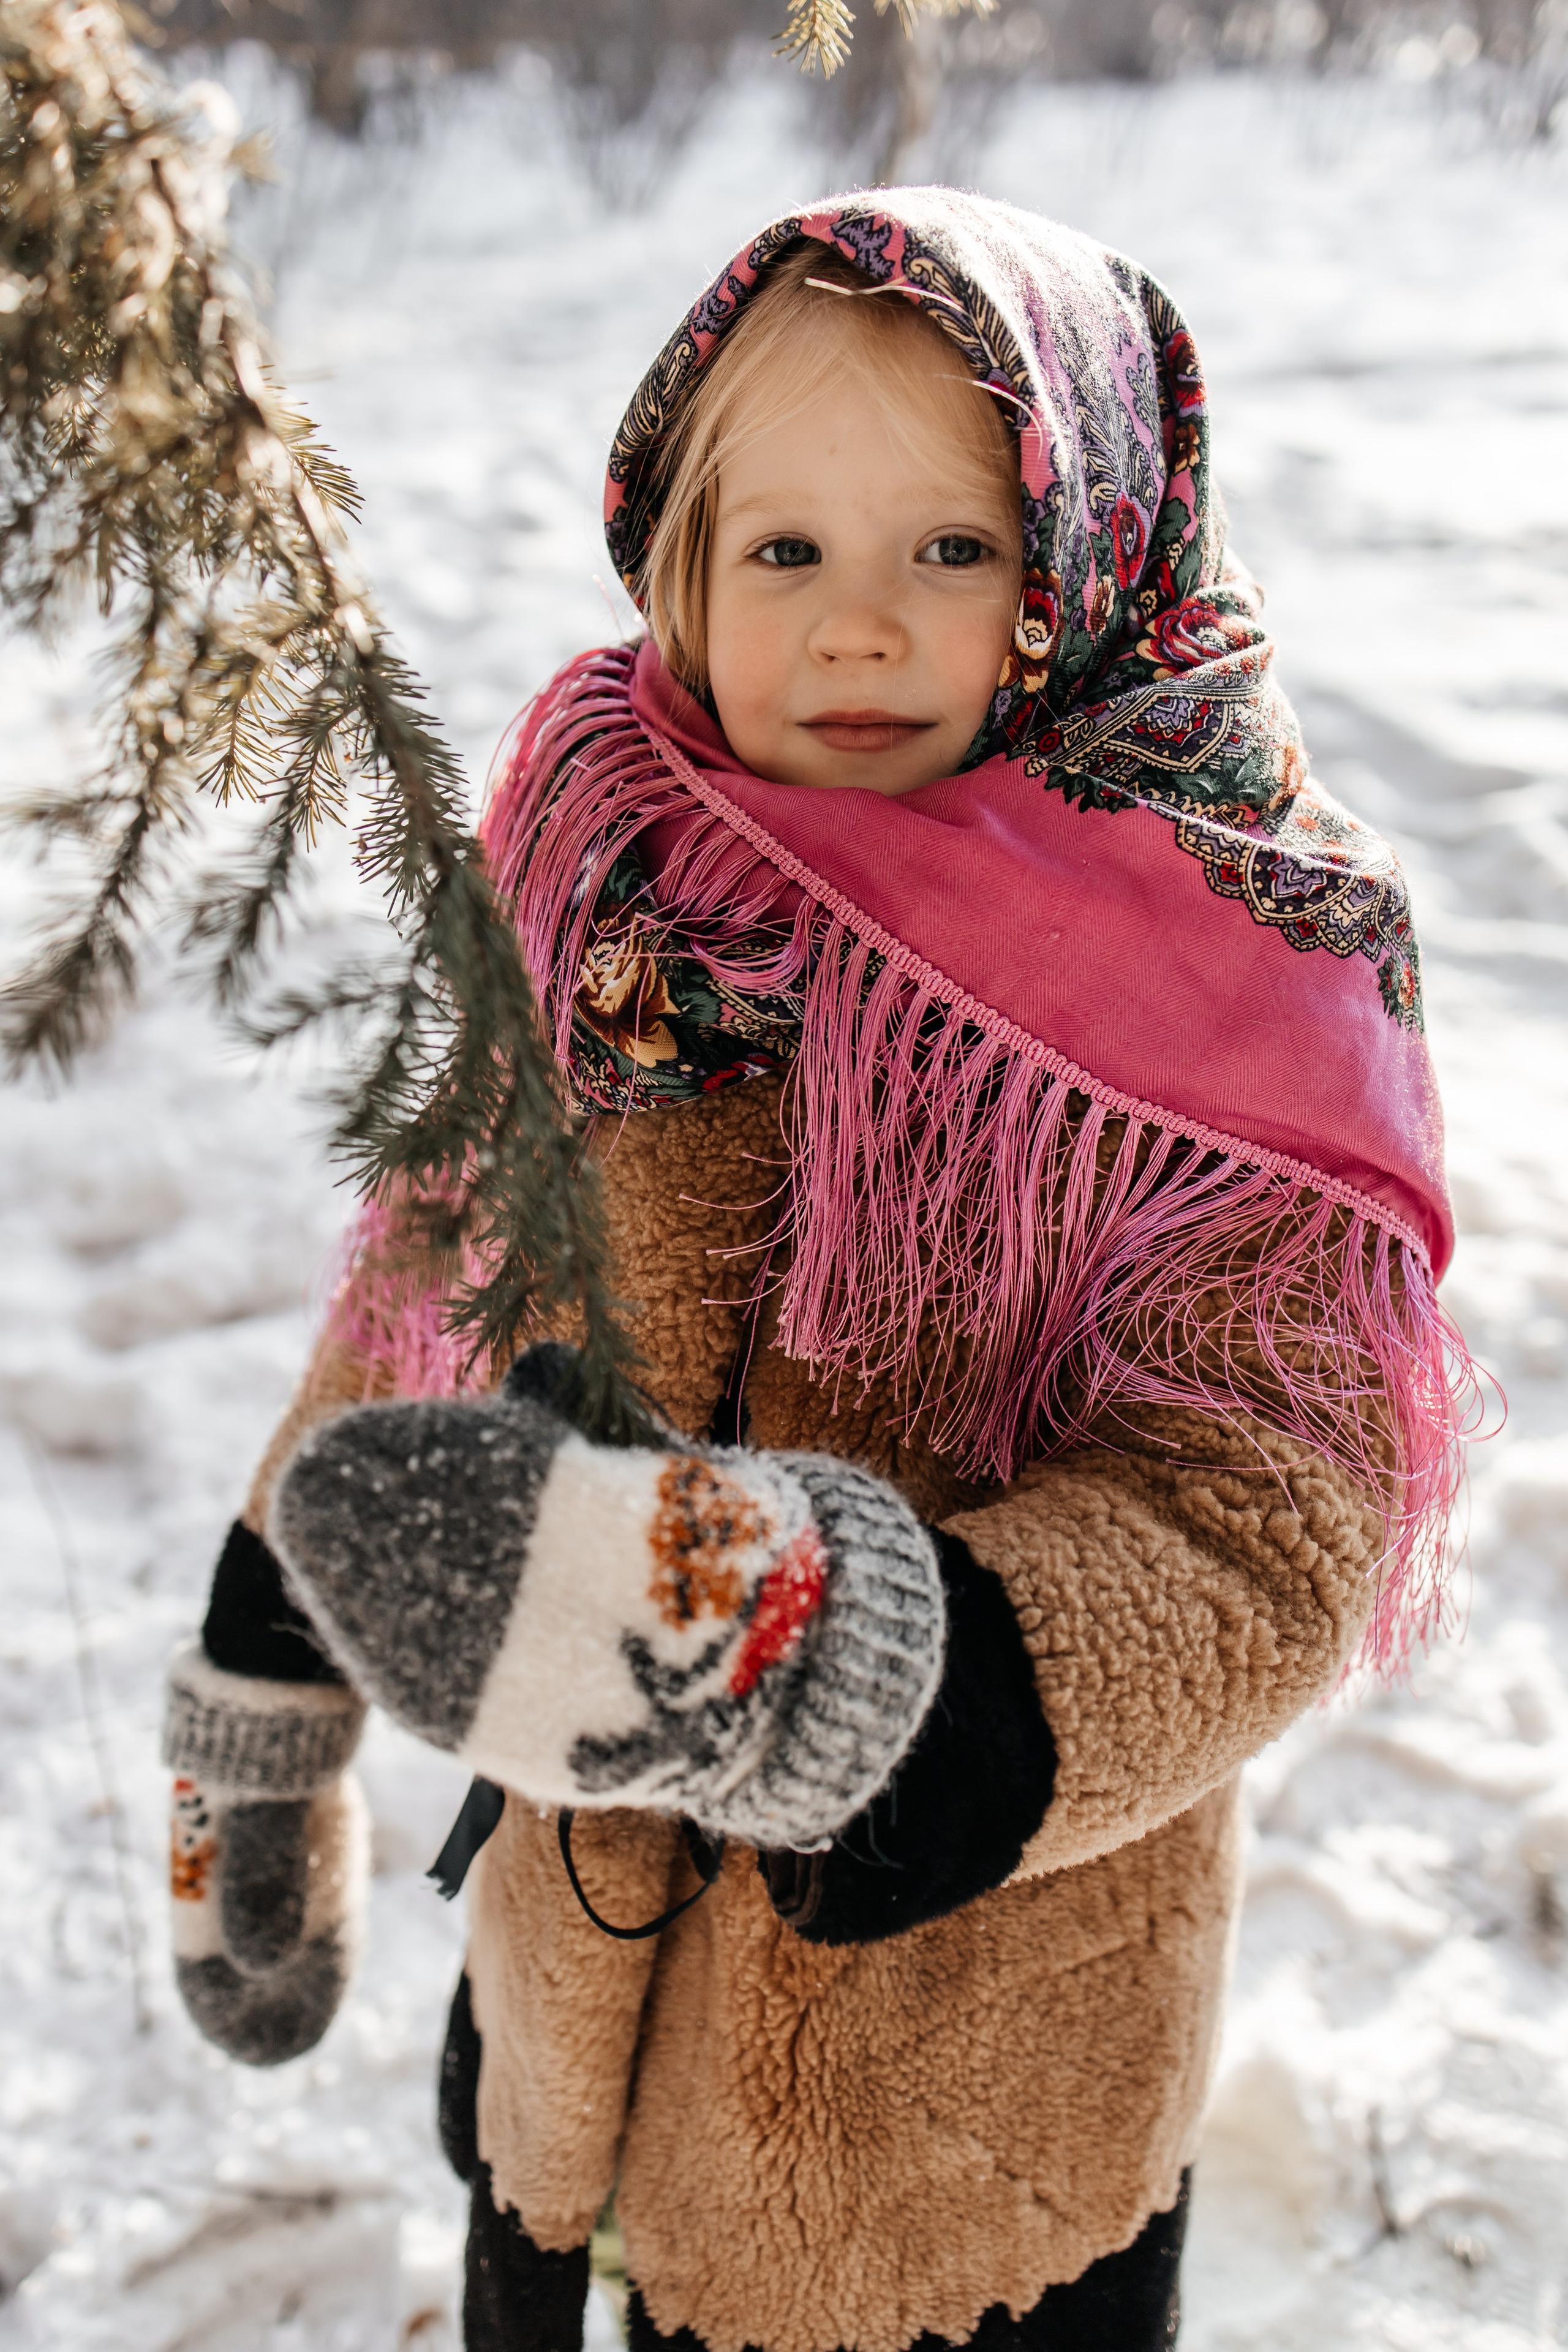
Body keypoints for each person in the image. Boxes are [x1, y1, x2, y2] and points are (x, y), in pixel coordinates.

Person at [160, 189, 1472, 2352]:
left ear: (1088, 555)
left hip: (950, 2136)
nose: (858, 628)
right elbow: (433, 1276)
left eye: (951, 547)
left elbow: (1259, 1523)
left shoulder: (1226, 988)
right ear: (675, 568)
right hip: (568, 2025)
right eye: (784, 551)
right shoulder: (617, 880)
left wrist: (825, 1670)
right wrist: (262, 1688)